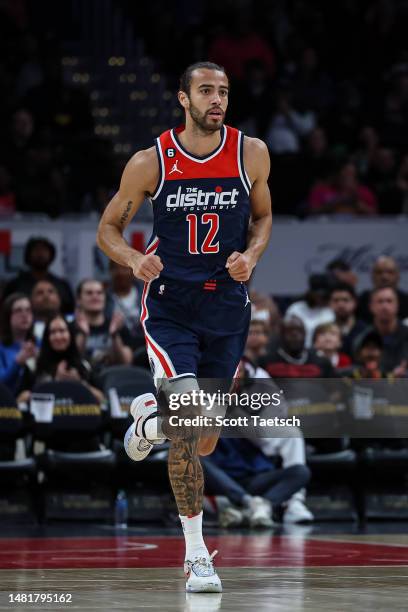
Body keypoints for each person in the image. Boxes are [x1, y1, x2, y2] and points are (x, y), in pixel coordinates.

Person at [96, 61, 272, 592]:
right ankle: (197, 554)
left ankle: (149, 421)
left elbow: (263, 218)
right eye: (205, 90)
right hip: (170, 305)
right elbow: (108, 227)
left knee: (206, 440)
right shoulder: (151, 162)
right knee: (192, 422)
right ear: (183, 98)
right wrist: (131, 258)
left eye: (223, 91)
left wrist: (254, 254)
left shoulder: (252, 152)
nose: (216, 99)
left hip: (226, 308)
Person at [17, 314, 103, 403]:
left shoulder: (84, 365)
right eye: (53, 332)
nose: (58, 337)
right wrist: (55, 384)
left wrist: (79, 384)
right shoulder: (33, 365)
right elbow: (20, 399)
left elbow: (102, 399)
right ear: (47, 338)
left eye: (62, 331)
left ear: (70, 335)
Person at [2, 237, 75, 314]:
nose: (40, 254)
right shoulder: (15, 285)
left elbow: (70, 311)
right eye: (36, 250)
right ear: (28, 255)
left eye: (44, 250)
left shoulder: (62, 285)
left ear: (51, 255)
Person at [75, 279, 133, 373]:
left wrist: (114, 336)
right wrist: (83, 335)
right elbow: (71, 362)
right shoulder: (70, 327)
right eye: (89, 293)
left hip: (113, 379)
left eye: (99, 293)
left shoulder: (118, 326)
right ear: (79, 300)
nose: (95, 296)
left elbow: (126, 363)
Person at [259, 316, 335, 379]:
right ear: (281, 335)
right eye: (289, 331)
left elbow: (335, 391)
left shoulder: (321, 362)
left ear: (305, 334)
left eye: (299, 331)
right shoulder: (266, 361)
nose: (295, 335)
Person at [0, 293, 37, 394]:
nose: (25, 315)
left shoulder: (39, 344)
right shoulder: (2, 347)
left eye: (28, 310)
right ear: (8, 316)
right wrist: (18, 362)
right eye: (18, 310)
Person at [285, 274, 335, 348]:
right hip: (295, 347)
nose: (319, 298)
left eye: (323, 295)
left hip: (318, 350)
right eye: (317, 295)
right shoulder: (296, 308)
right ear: (311, 293)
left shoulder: (328, 313)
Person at [105, 260, 144, 349]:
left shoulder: (145, 293)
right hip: (116, 345)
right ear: (110, 271)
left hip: (144, 344)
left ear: (133, 271)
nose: (120, 272)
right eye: (115, 268)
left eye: (124, 268)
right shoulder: (104, 297)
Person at [368, 287, 408, 375]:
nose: (385, 306)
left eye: (389, 301)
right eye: (380, 301)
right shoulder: (363, 338)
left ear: (397, 305)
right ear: (371, 306)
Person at [357, 256, 408, 322]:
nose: (384, 276)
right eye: (379, 272)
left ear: (398, 276)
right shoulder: (362, 300)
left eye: (390, 272)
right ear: (372, 276)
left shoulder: (406, 301)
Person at [328, 283, 367, 356]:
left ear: (355, 303)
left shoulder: (365, 330)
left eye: (345, 300)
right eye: (336, 300)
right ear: (329, 304)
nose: (340, 305)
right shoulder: (325, 331)